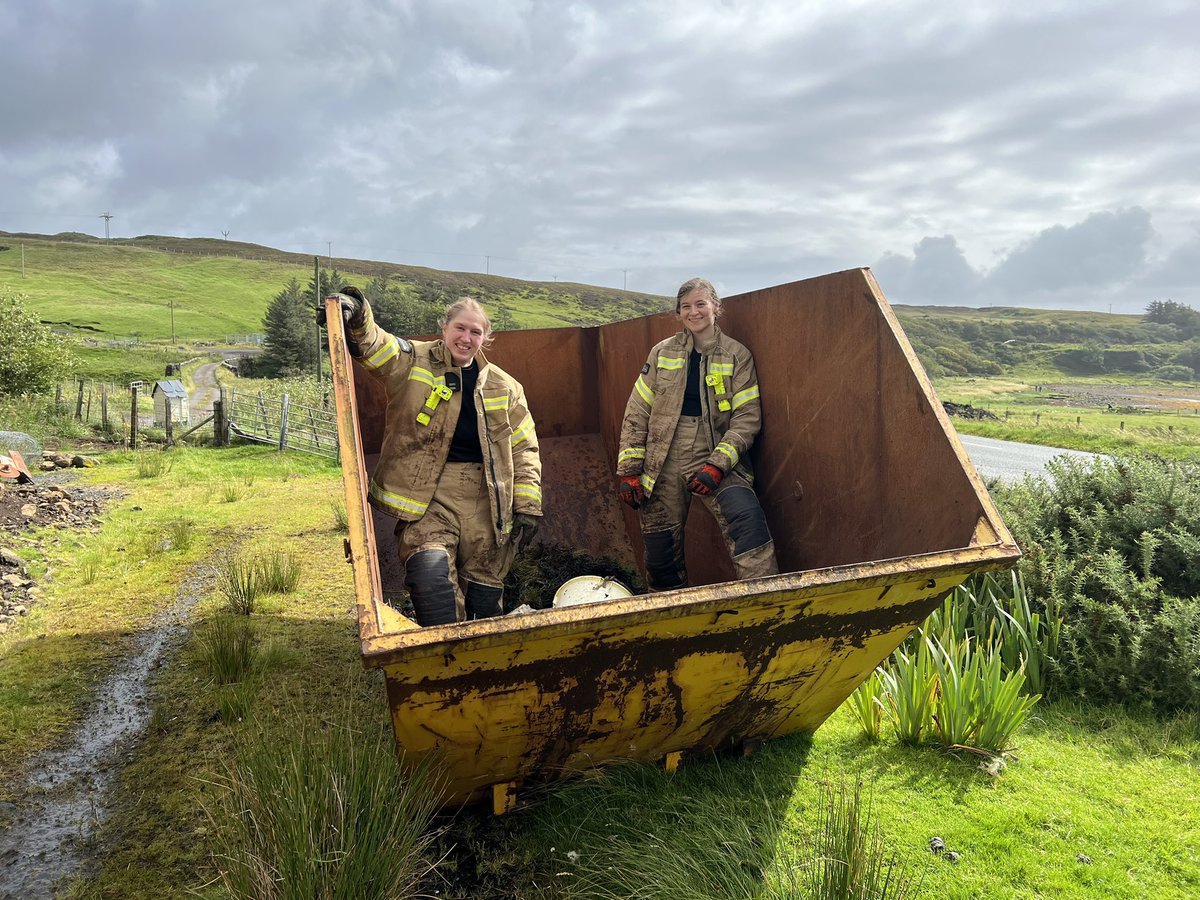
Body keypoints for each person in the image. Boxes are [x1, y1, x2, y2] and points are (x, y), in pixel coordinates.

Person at [320, 287, 542, 626]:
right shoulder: (413, 360)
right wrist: (358, 314)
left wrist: (527, 505)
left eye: (475, 332)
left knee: (483, 601)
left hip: (489, 505)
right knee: (430, 579)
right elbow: (378, 345)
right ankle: (442, 664)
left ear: (486, 338)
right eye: (460, 328)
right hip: (430, 499)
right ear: (445, 328)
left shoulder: (506, 387)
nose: (466, 338)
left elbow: (524, 449)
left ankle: (480, 669)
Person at [615, 277, 777, 590]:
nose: (694, 312)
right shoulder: (662, 353)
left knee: (747, 523)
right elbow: (637, 412)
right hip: (662, 459)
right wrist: (629, 472)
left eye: (701, 304)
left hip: (715, 455)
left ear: (716, 307)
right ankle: (672, 620)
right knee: (661, 553)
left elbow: (746, 419)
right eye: (686, 307)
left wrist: (717, 465)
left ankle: (764, 603)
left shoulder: (736, 356)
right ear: (678, 313)